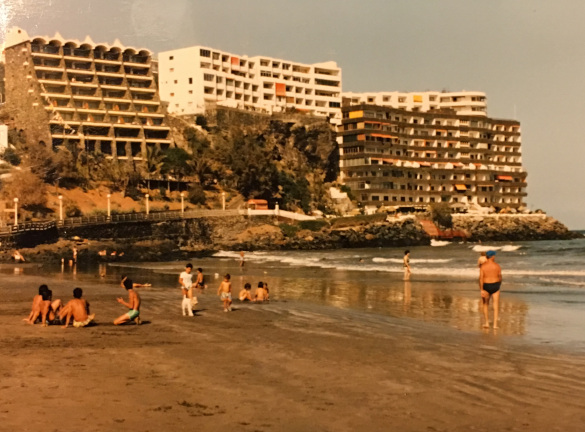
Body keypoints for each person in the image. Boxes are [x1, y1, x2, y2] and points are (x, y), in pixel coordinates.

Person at [479, 250, 503, 329]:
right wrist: (499, 284)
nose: (495, 257)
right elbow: (500, 277)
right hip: (495, 285)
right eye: (494, 256)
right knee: (496, 305)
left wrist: (481, 289)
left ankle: (486, 323)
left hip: (486, 285)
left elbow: (481, 279)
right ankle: (495, 325)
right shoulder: (497, 266)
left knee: (485, 304)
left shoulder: (483, 266)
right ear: (492, 257)